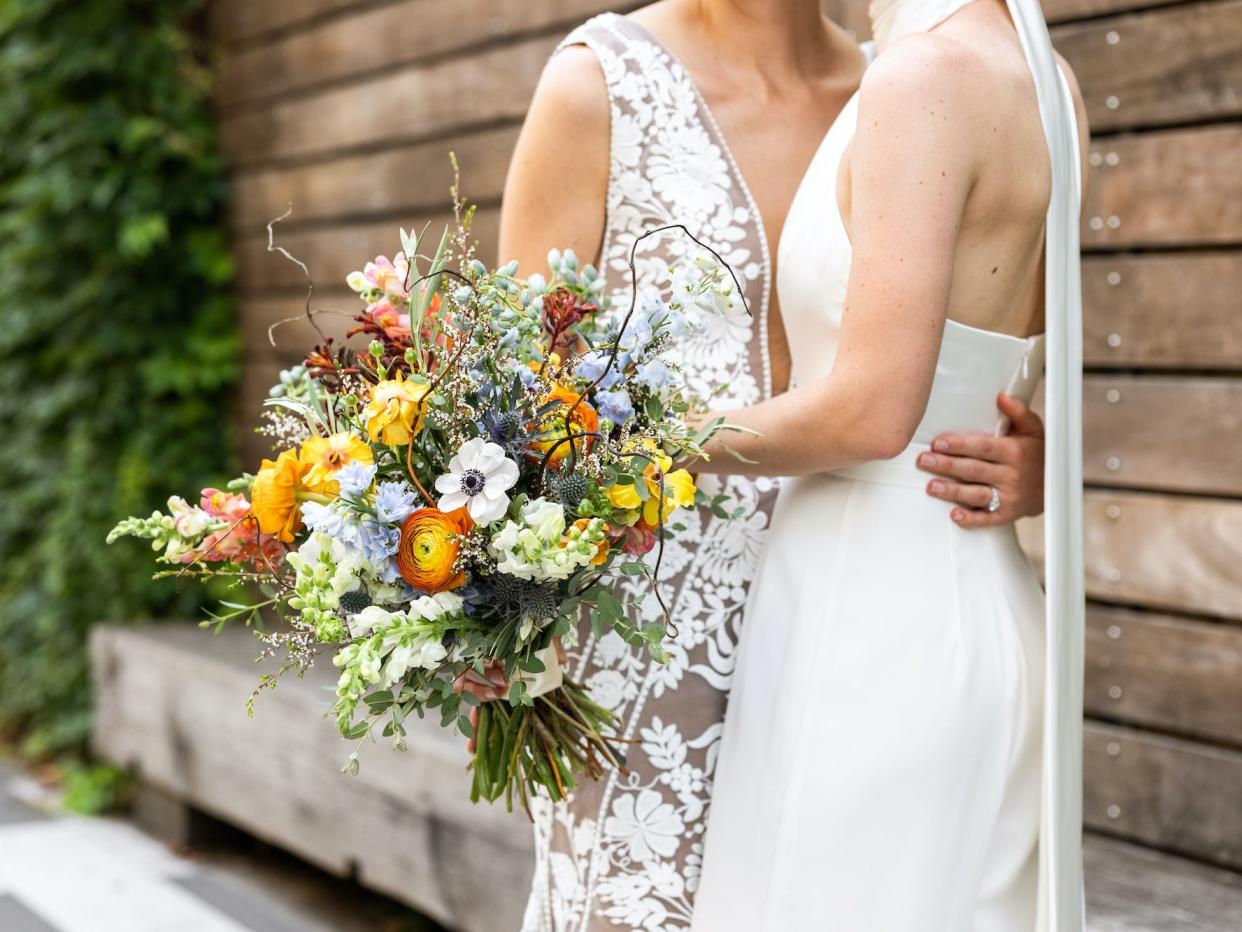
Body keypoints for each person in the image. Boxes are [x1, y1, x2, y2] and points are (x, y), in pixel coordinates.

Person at [491, 2, 1053, 927]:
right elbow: (514, 402)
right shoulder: (596, 86)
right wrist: (493, 620)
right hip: (643, 638)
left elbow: (984, 339)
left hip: (855, 633)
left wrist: (1021, 454)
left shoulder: (907, 78)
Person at [686, 0, 1088, 927]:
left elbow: (871, 413)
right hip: (972, 592)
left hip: (868, 629)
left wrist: (626, 444)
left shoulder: (922, 79)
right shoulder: (1039, 72)